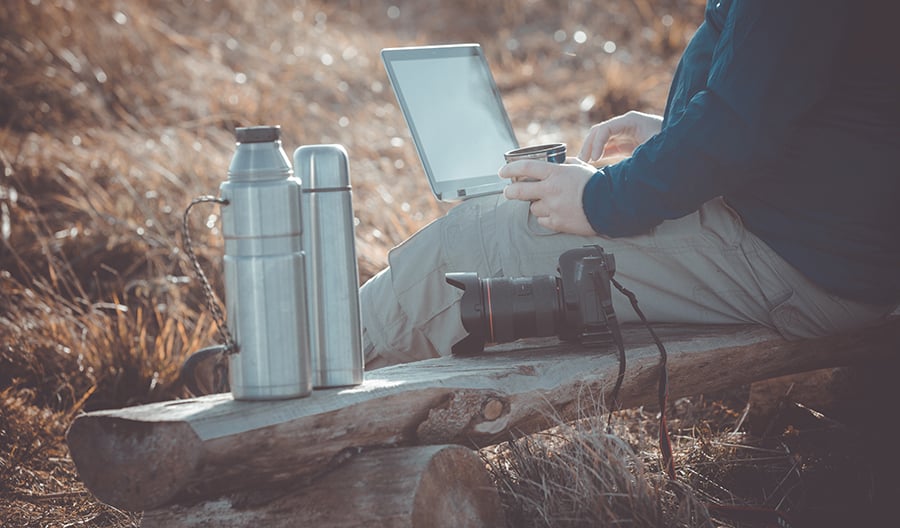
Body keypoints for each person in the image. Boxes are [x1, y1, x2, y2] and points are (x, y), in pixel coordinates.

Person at [359, 0, 900, 369]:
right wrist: (674, 137)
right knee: (510, 218)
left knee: (479, 241)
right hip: (815, 234)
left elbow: (740, 124)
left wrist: (601, 198)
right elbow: (791, 99)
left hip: (799, 258)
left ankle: (298, 395)